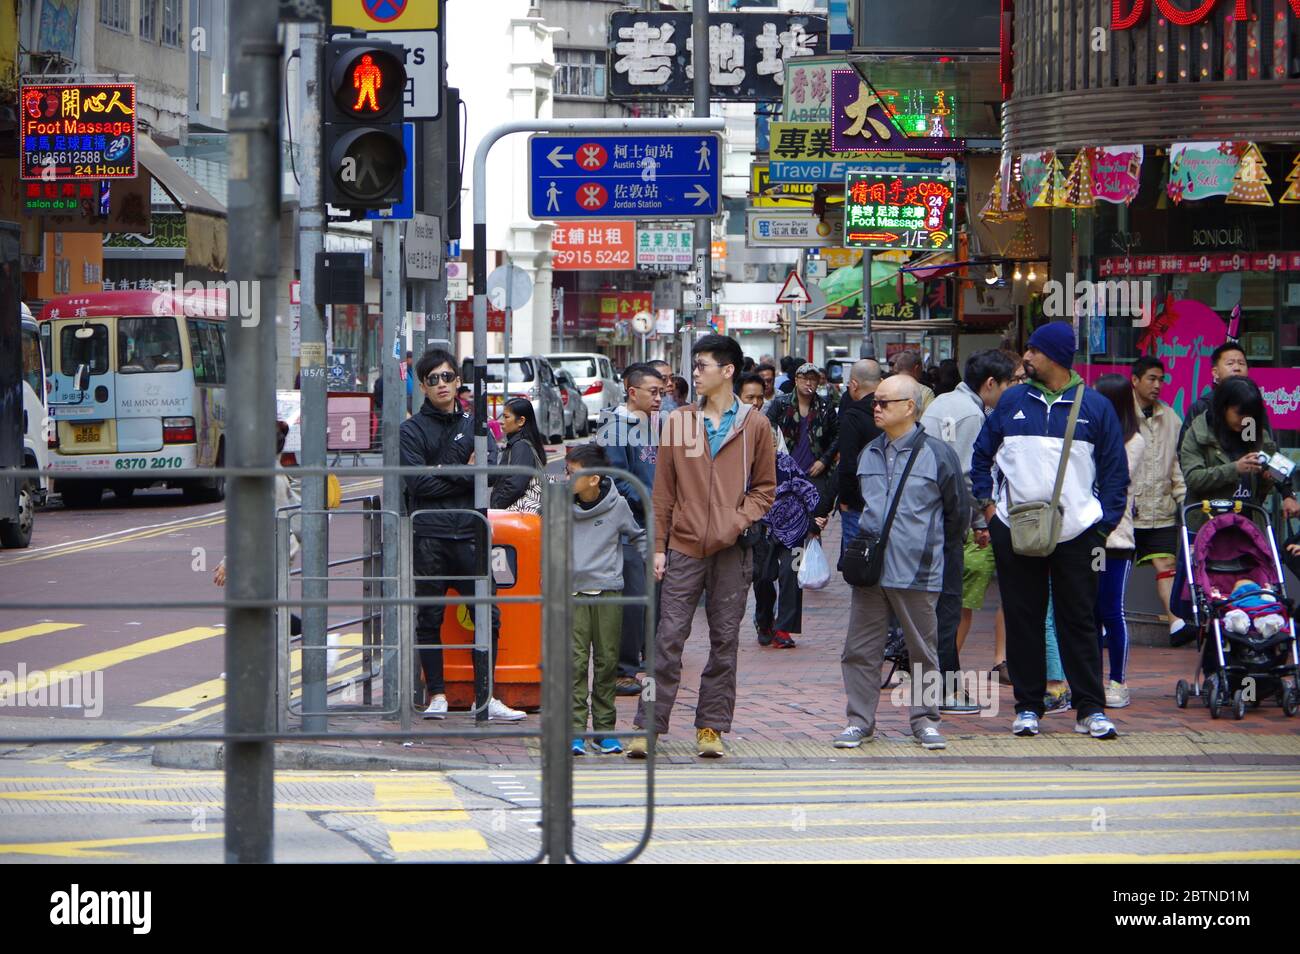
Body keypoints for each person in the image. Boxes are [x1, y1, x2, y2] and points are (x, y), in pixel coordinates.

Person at [971, 321, 1128, 741]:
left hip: (1078, 535)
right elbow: (981, 454)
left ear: (1054, 356)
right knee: (1023, 618)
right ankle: (1027, 707)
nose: (1026, 357)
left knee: (1079, 619)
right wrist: (990, 512)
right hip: (1015, 530)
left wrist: (1101, 527)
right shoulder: (1012, 401)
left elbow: (1116, 474)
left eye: (1034, 351)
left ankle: (1090, 709)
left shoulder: (1095, 407)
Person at [628, 335, 776, 760]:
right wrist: (659, 546)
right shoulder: (678, 422)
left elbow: (766, 489)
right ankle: (648, 726)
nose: (695, 373)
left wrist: (737, 519)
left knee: (725, 640)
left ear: (727, 371)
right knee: (667, 639)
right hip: (685, 546)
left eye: (703, 365)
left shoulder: (755, 425)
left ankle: (711, 727)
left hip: (732, 550)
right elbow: (663, 493)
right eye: (694, 366)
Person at [835, 374, 970, 751]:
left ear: (909, 408)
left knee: (923, 651)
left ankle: (925, 721)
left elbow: (957, 514)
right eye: (874, 402)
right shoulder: (869, 452)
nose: (875, 408)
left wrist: (933, 550)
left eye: (883, 403)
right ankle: (859, 722)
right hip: (871, 572)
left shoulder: (938, 455)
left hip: (918, 570)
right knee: (859, 650)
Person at [401, 349, 525, 724]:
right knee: (429, 616)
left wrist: (442, 469)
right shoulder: (411, 430)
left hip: (472, 531)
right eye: (433, 379)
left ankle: (485, 696)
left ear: (458, 381)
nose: (441, 384)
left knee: (487, 615)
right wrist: (461, 470)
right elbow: (417, 482)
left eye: (447, 377)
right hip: (430, 534)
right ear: (422, 386)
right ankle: (436, 694)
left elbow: (486, 475)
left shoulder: (478, 424)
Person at [920, 349, 1018, 712]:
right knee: (948, 608)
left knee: (941, 608)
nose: (1014, 390)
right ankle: (942, 691)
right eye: (1011, 383)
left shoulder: (942, 402)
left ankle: (940, 686)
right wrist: (980, 521)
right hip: (945, 523)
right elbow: (965, 475)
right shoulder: (973, 415)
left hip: (927, 519)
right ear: (991, 384)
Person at [566, 443, 646, 756]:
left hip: (609, 590)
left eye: (574, 473)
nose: (568, 479)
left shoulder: (618, 506)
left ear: (595, 478)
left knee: (607, 662)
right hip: (573, 592)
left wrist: (651, 560)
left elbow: (638, 535)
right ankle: (574, 732)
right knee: (574, 664)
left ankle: (604, 732)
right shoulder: (562, 505)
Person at [596, 363, 664, 695]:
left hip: (658, 524)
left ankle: (648, 663)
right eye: (653, 392)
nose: (659, 398)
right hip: (630, 526)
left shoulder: (654, 424)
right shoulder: (614, 426)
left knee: (656, 595)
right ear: (632, 390)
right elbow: (619, 479)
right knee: (634, 598)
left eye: (662, 392)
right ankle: (622, 670)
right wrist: (651, 503)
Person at [1092, 373, 1147, 709]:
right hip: (1087, 537)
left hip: (1117, 539)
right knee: (1089, 614)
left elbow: (1114, 477)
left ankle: (1118, 681)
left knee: (1112, 611)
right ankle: (1090, 681)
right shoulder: (1093, 434)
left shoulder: (1133, 440)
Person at [1129, 356, 1189, 642]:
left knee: (1166, 564)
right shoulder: (1121, 416)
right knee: (1113, 570)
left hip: (1161, 509)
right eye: (1151, 378)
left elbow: (1177, 465)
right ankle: (1104, 623)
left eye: (1161, 380)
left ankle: (1175, 621)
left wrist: (1183, 499)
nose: (1157, 385)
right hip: (1127, 511)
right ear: (1135, 380)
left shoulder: (1171, 419)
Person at [1180, 375, 1298, 511]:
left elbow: (1276, 463)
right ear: (1223, 407)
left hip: (1249, 520)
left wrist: (1287, 495)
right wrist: (1235, 468)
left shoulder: (1251, 430)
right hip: (1208, 521)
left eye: (1250, 415)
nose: (1245, 420)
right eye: (1239, 414)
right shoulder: (1200, 432)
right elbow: (1193, 479)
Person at [767, 362, 839, 508]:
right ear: (796, 380)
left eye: (813, 379)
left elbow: (838, 434)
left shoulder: (825, 406)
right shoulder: (781, 404)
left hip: (814, 472)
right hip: (784, 472)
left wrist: (824, 460)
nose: (808, 383)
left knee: (813, 517)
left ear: (818, 382)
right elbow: (767, 428)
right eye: (804, 378)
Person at [835, 359, 882, 560]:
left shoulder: (853, 417)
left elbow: (847, 464)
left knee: (858, 563)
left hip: (858, 503)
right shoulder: (892, 413)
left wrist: (845, 499)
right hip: (887, 498)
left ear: (854, 385)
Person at [1177, 341, 1250, 453]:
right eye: (1230, 363)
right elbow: (1185, 452)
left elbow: (1268, 449)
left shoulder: (1254, 406)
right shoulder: (1202, 407)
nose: (1237, 368)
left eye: (1241, 363)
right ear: (1215, 373)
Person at [489, 397, 547, 511]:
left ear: (521, 421)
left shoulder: (521, 446)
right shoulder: (519, 443)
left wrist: (497, 506)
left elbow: (515, 485)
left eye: (506, 417)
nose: (501, 421)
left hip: (517, 516)